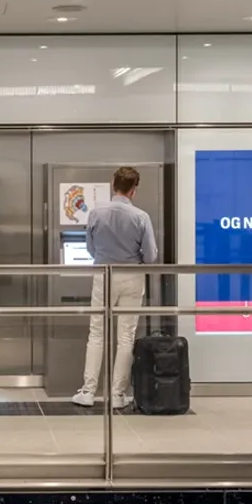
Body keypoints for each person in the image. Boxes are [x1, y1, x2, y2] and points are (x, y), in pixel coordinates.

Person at [71, 165, 160, 411]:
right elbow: (151, 256)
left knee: (96, 332)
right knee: (125, 337)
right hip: (132, 277)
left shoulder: (96, 214)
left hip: (103, 275)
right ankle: (118, 395)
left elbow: (90, 249)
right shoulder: (141, 217)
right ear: (134, 190)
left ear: (113, 184)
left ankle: (88, 391)